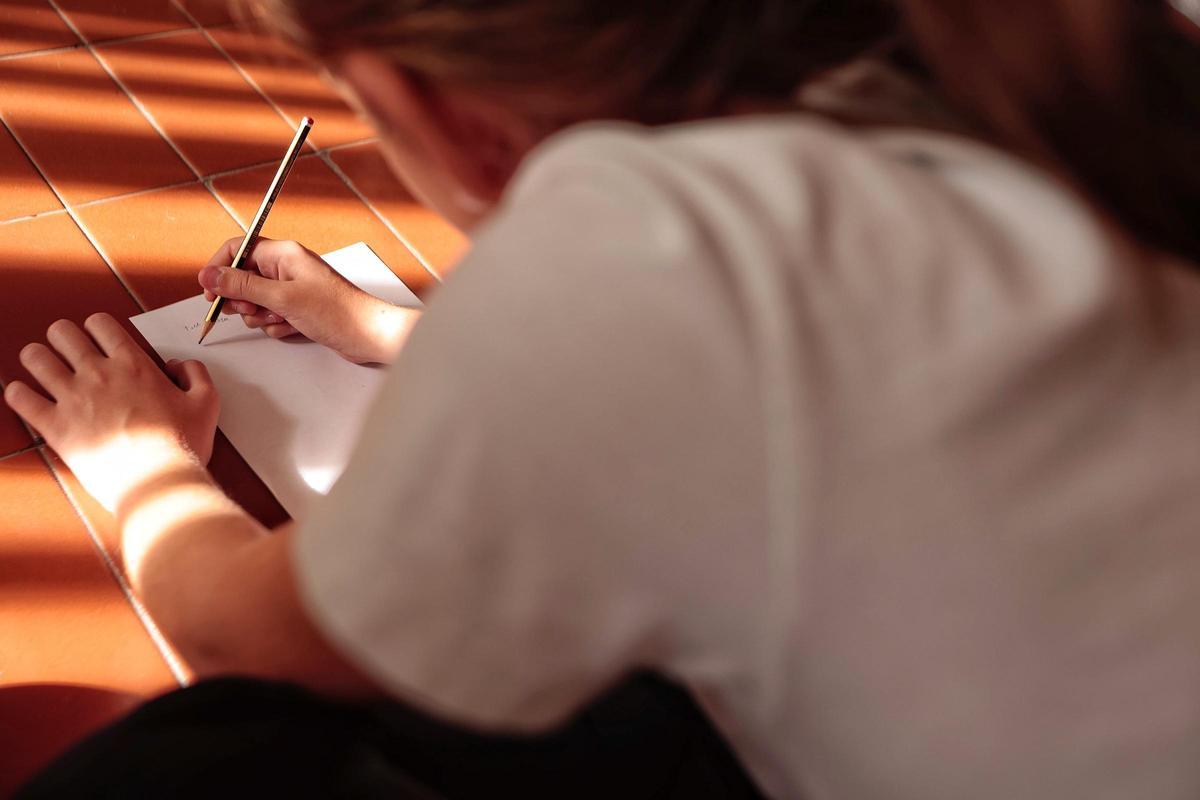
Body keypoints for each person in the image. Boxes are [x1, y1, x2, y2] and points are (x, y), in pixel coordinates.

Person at [7, 0, 1200, 797]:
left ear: (434, 110)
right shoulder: (1041, 71)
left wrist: (138, 464)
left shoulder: (647, 243)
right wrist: (389, 332)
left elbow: (255, 638)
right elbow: (768, 393)